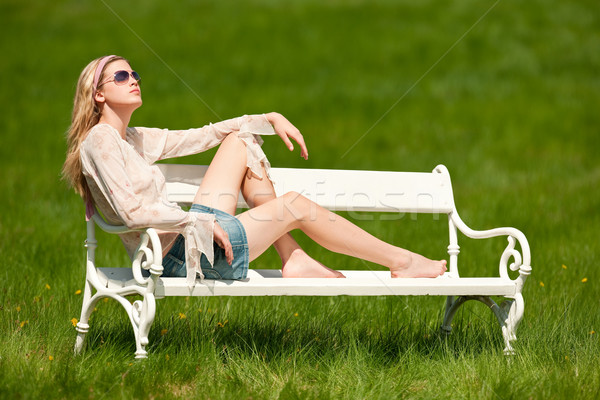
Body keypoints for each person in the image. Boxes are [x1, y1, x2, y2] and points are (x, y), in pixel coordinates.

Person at [62, 55, 447, 283]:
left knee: (239, 141)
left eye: (136, 76)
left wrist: (267, 117)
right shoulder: (99, 142)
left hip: (190, 241)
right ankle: (402, 261)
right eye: (123, 77)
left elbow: (204, 135)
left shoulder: (132, 138)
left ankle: (293, 258)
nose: (134, 81)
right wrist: (197, 223)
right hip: (176, 259)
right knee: (293, 204)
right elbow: (131, 211)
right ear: (98, 94)